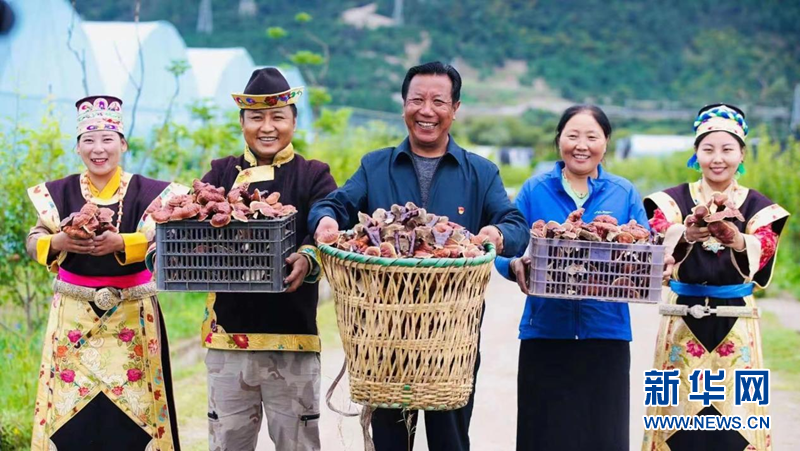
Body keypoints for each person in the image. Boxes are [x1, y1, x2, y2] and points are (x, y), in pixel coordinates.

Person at [308, 61, 528, 451]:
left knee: (451, 441)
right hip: (385, 336)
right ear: (403, 105)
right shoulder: (376, 166)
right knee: (390, 442)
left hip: (452, 339)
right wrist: (325, 219)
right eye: (417, 100)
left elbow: (515, 224)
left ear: (455, 108)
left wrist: (496, 234)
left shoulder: (480, 172)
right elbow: (336, 204)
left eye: (438, 102)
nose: (427, 111)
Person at [26, 96, 185, 450]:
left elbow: (169, 240)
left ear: (123, 144)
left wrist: (123, 243)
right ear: (78, 147)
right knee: (72, 420)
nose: (98, 149)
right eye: (89, 140)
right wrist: (59, 241)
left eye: (108, 139)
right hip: (73, 318)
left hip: (133, 316)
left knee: (134, 419)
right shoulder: (58, 193)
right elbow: (34, 239)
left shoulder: (153, 193)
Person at [196, 67, 337, 451]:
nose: (267, 127)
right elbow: (196, 222)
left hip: (293, 339)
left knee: (298, 445)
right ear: (242, 122)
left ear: (294, 121)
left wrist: (308, 257)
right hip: (228, 340)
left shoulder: (314, 175)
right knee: (227, 443)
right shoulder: (221, 172)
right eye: (256, 117)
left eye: (278, 117)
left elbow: (327, 228)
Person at [495, 105, 648, 451]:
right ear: (559, 139)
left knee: (603, 436)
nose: (582, 145)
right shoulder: (535, 189)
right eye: (573, 135)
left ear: (606, 142)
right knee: (543, 435)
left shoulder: (623, 192)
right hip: (545, 332)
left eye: (592, 137)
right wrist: (515, 264)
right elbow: (505, 249)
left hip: (606, 334)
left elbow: (645, 250)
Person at [642, 104, 789, 451]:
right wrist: (686, 233)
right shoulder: (671, 201)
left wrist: (737, 239)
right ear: (696, 153)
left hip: (737, 320)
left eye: (727, 149)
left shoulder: (759, 206)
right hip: (681, 317)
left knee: (738, 421)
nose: (717, 158)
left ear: (742, 154)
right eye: (708, 149)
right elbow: (655, 237)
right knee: (675, 418)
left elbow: (764, 246)